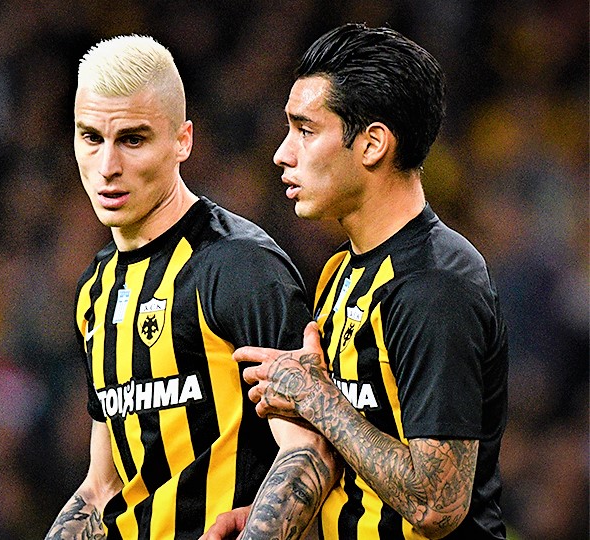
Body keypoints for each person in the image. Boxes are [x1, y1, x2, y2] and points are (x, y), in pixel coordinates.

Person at [206, 23, 509, 540]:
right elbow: (360, 455)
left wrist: (315, 397)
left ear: (372, 144)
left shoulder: (435, 286)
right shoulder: (341, 270)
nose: (283, 153)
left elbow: (436, 504)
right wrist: (268, 516)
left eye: (305, 130)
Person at [44, 34, 338, 540]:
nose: (108, 166)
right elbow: (102, 486)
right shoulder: (96, 288)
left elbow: (310, 452)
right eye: (91, 138)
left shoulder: (240, 267)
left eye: (133, 140)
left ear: (182, 141)